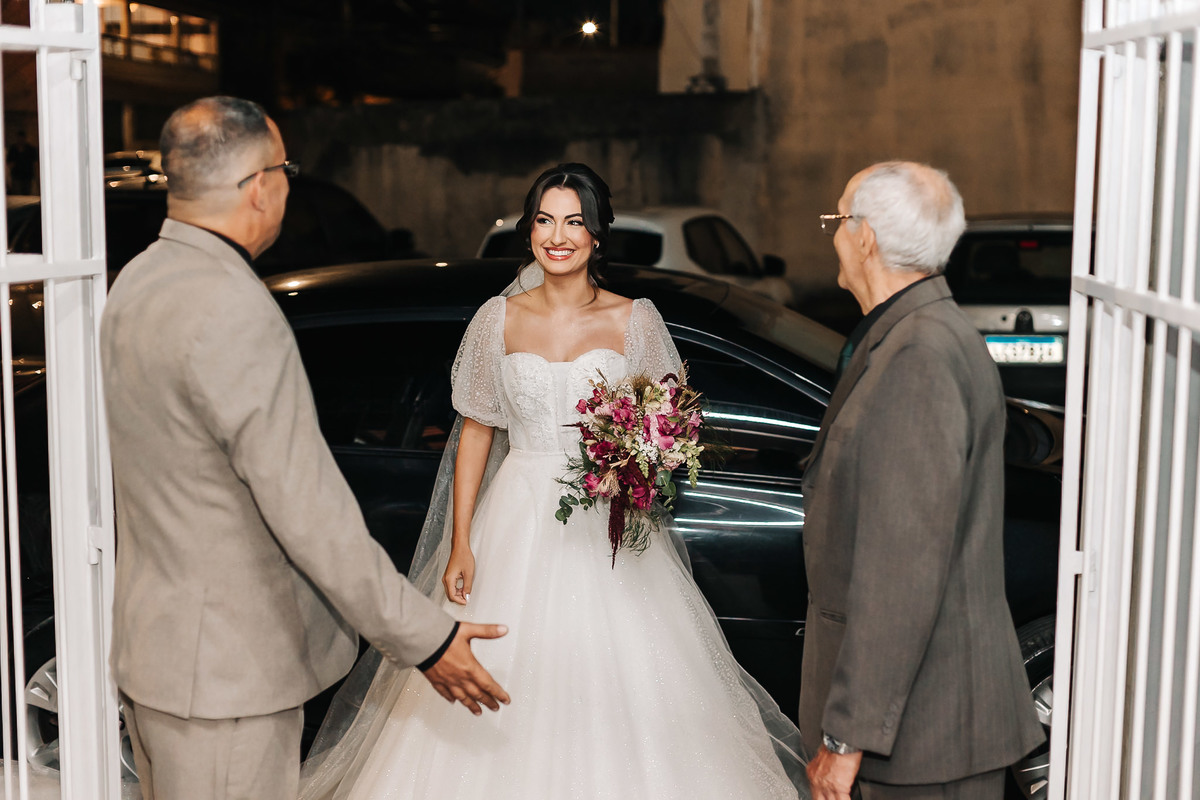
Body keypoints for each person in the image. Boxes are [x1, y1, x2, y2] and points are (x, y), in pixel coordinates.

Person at [298, 163, 810, 799]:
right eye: (544, 220)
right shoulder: (497, 318)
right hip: (516, 512)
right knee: (502, 678)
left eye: (574, 221)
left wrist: (642, 459)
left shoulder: (636, 319)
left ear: (598, 234)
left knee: (622, 682)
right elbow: (478, 431)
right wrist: (462, 541)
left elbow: (672, 421)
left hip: (608, 526)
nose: (557, 235)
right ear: (529, 229)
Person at [100, 96, 510, 800]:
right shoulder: (233, 308)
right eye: (286, 166)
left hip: (157, 654)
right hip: (229, 679)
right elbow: (309, 511)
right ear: (260, 185)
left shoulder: (135, 280)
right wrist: (427, 639)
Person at [800, 161, 1044, 800]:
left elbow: (901, 569)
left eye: (836, 220)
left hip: (923, 737)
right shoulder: (914, 333)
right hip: (924, 725)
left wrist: (847, 737)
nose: (832, 237)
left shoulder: (918, 356)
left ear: (865, 238)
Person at [7, 130, 37, 195]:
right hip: (16, 176)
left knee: (27, 194)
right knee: (17, 194)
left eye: (22, 138)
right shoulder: (13, 149)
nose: (21, 140)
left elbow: (34, 163)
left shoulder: (30, 149)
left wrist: (36, 175)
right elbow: (10, 163)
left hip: (27, 176)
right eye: (19, 138)